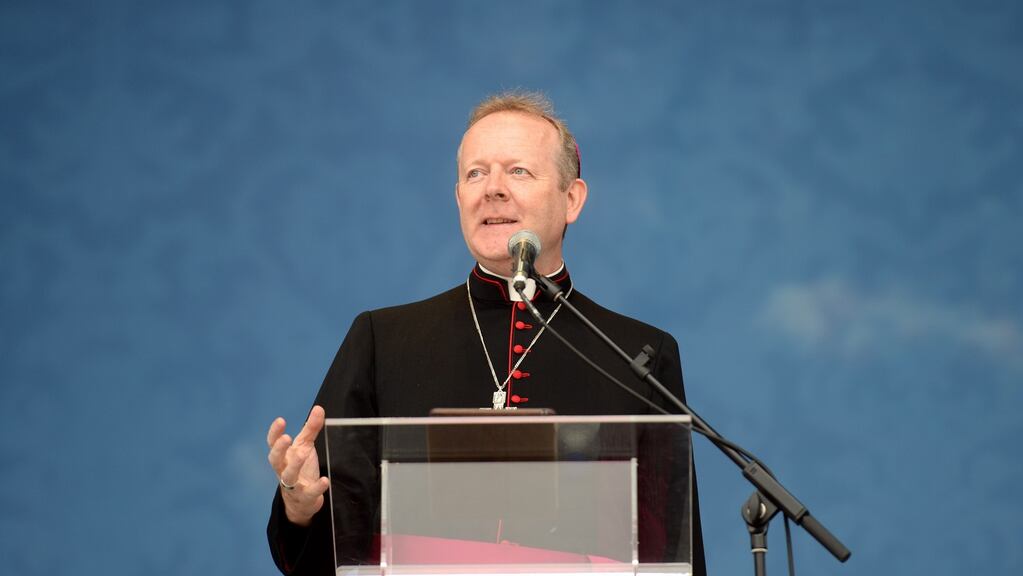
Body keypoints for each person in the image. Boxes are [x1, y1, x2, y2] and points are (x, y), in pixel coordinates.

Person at [266, 91, 706, 575]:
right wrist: (299, 504)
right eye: (476, 173)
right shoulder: (381, 339)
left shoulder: (638, 353)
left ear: (572, 198)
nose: (492, 189)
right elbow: (326, 542)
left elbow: (672, 555)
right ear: (459, 197)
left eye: (518, 171)